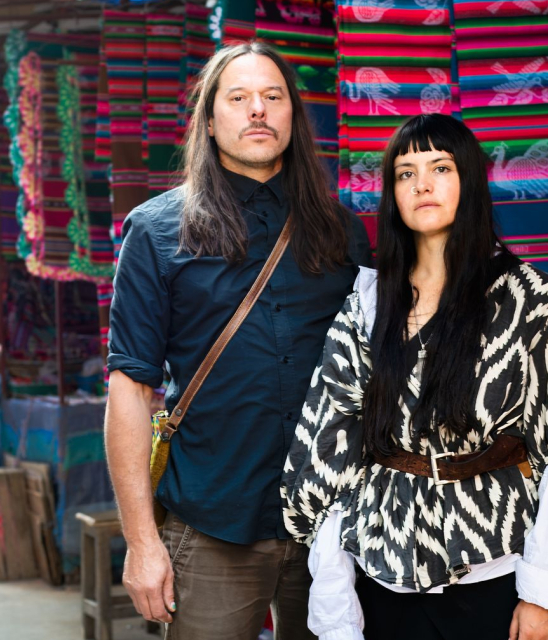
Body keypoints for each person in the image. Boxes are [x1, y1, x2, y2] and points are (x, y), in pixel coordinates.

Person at [281, 114, 548, 640]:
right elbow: (328, 453)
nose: (421, 184)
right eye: (405, 173)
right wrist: (335, 596)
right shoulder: (367, 306)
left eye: (440, 168)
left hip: (503, 567)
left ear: (469, 180)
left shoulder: (534, 300)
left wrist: (545, 595)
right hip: (385, 572)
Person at [105, 42, 372, 639]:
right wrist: (141, 542)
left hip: (332, 524)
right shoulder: (155, 231)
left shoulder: (343, 232)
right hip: (211, 521)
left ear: (293, 116)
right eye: (239, 97)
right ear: (208, 119)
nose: (258, 110)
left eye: (273, 97)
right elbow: (130, 390)